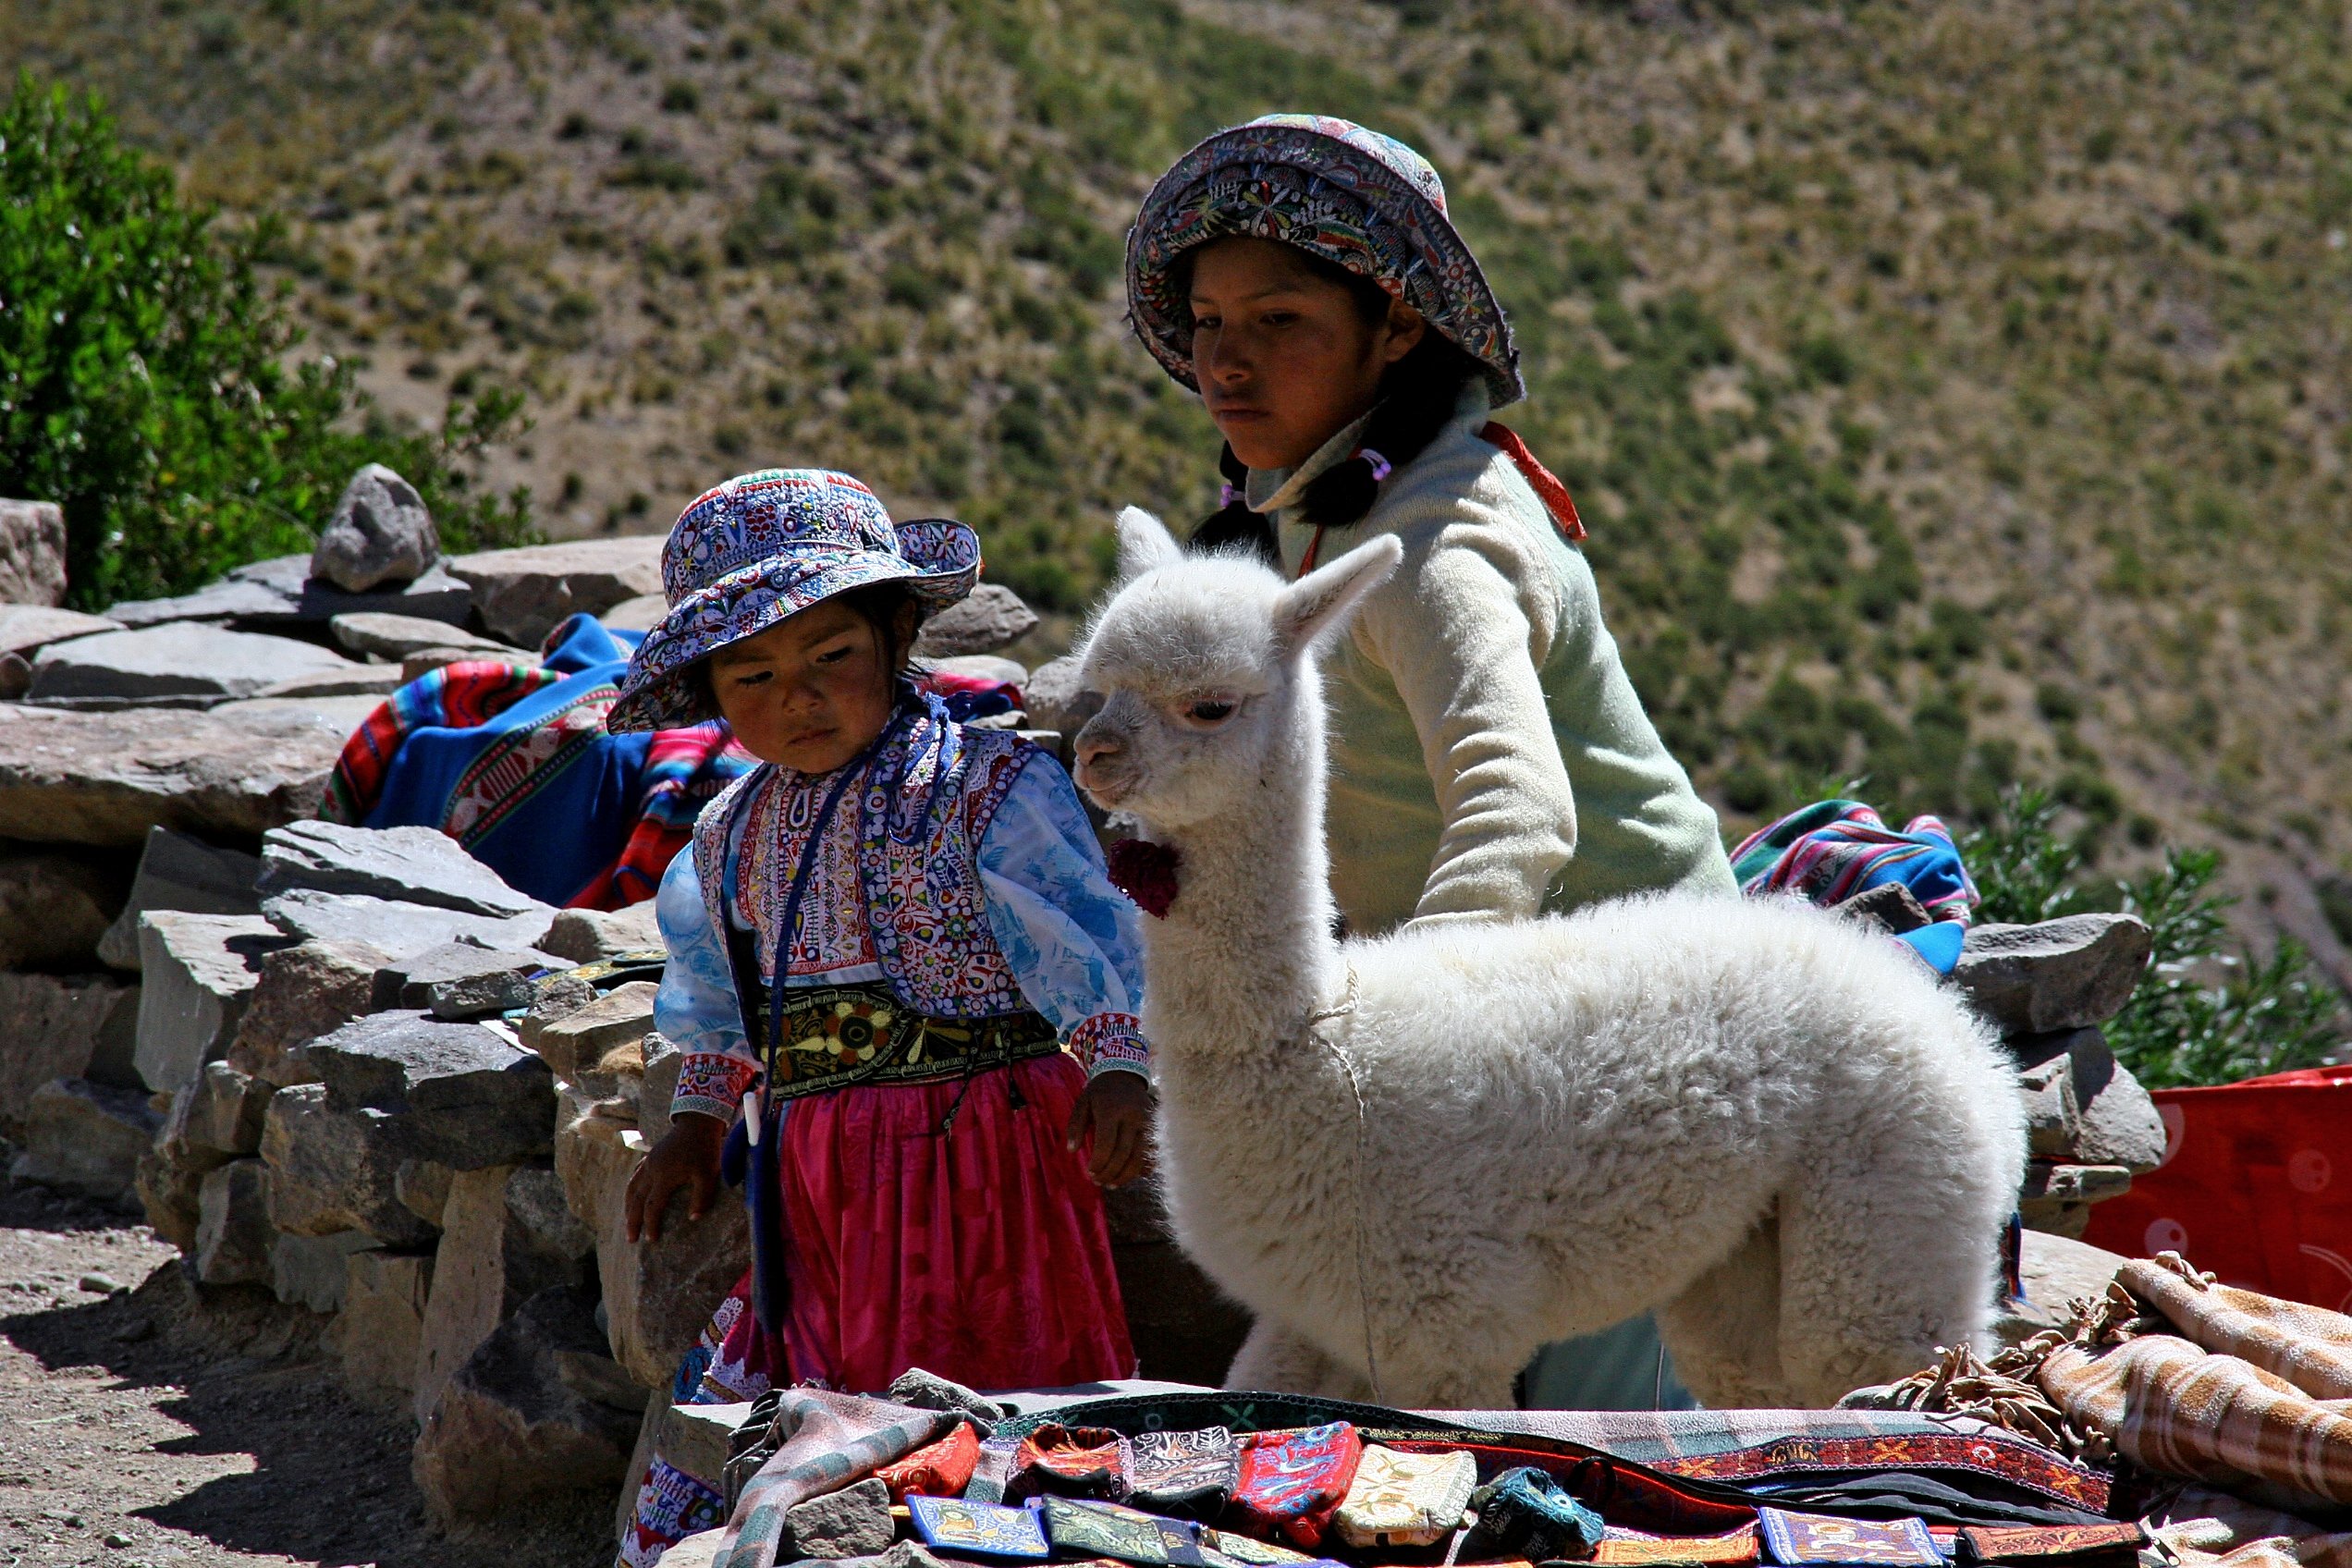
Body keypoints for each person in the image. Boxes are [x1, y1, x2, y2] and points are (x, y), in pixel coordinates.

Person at [1124, 115, 1737, 1408]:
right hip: (1505, 1001)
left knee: (1608, 1419)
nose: (1226, 360)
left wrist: (1406, 1057)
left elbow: (1518, 816)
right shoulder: (1323, 514)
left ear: (1394, 327)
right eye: (1209, 320)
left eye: (1279, 320)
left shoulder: (1437, 546)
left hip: (1623, 1018)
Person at [609, 469, 1155, 1564]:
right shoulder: (729, 833)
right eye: (752, 675)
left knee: (1005, 1395)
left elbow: (1080, 933)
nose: (795, 700)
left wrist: (1116, 1067)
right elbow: (721, 993)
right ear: (714, 691)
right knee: (832, 1392)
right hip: (818, 1181)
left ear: (897, 631)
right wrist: (697, 1120)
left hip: (986, 1156)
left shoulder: (984, 785)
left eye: (830, 658)